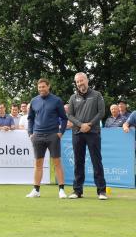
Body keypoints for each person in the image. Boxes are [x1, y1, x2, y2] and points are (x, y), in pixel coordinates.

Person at [67, 72, 107, 200]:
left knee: (96, 161)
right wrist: (81, 125)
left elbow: (101, 112)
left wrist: (89, 124)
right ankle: (77, 191)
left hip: (93, 133)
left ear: (86, 80)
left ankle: (101, 191)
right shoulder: (73, 98)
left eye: (81, 81)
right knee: (78, 162)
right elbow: (70, 115)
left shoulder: (97, 95)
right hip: (77, 133)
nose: (80, 83)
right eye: (77, 82)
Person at [26, 78, 68, 198]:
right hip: (37, 136)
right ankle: (36, 190)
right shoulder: (34, 101)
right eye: (39, 87)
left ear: (48, 86)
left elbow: (64, 118)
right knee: (38, 164)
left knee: (57, 163)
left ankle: (61, 190)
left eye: (43, 87)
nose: (41, 89)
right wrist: (30, 133)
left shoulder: (57, 100)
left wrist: (60, 132)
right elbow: (30, 119)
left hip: (53, 135)